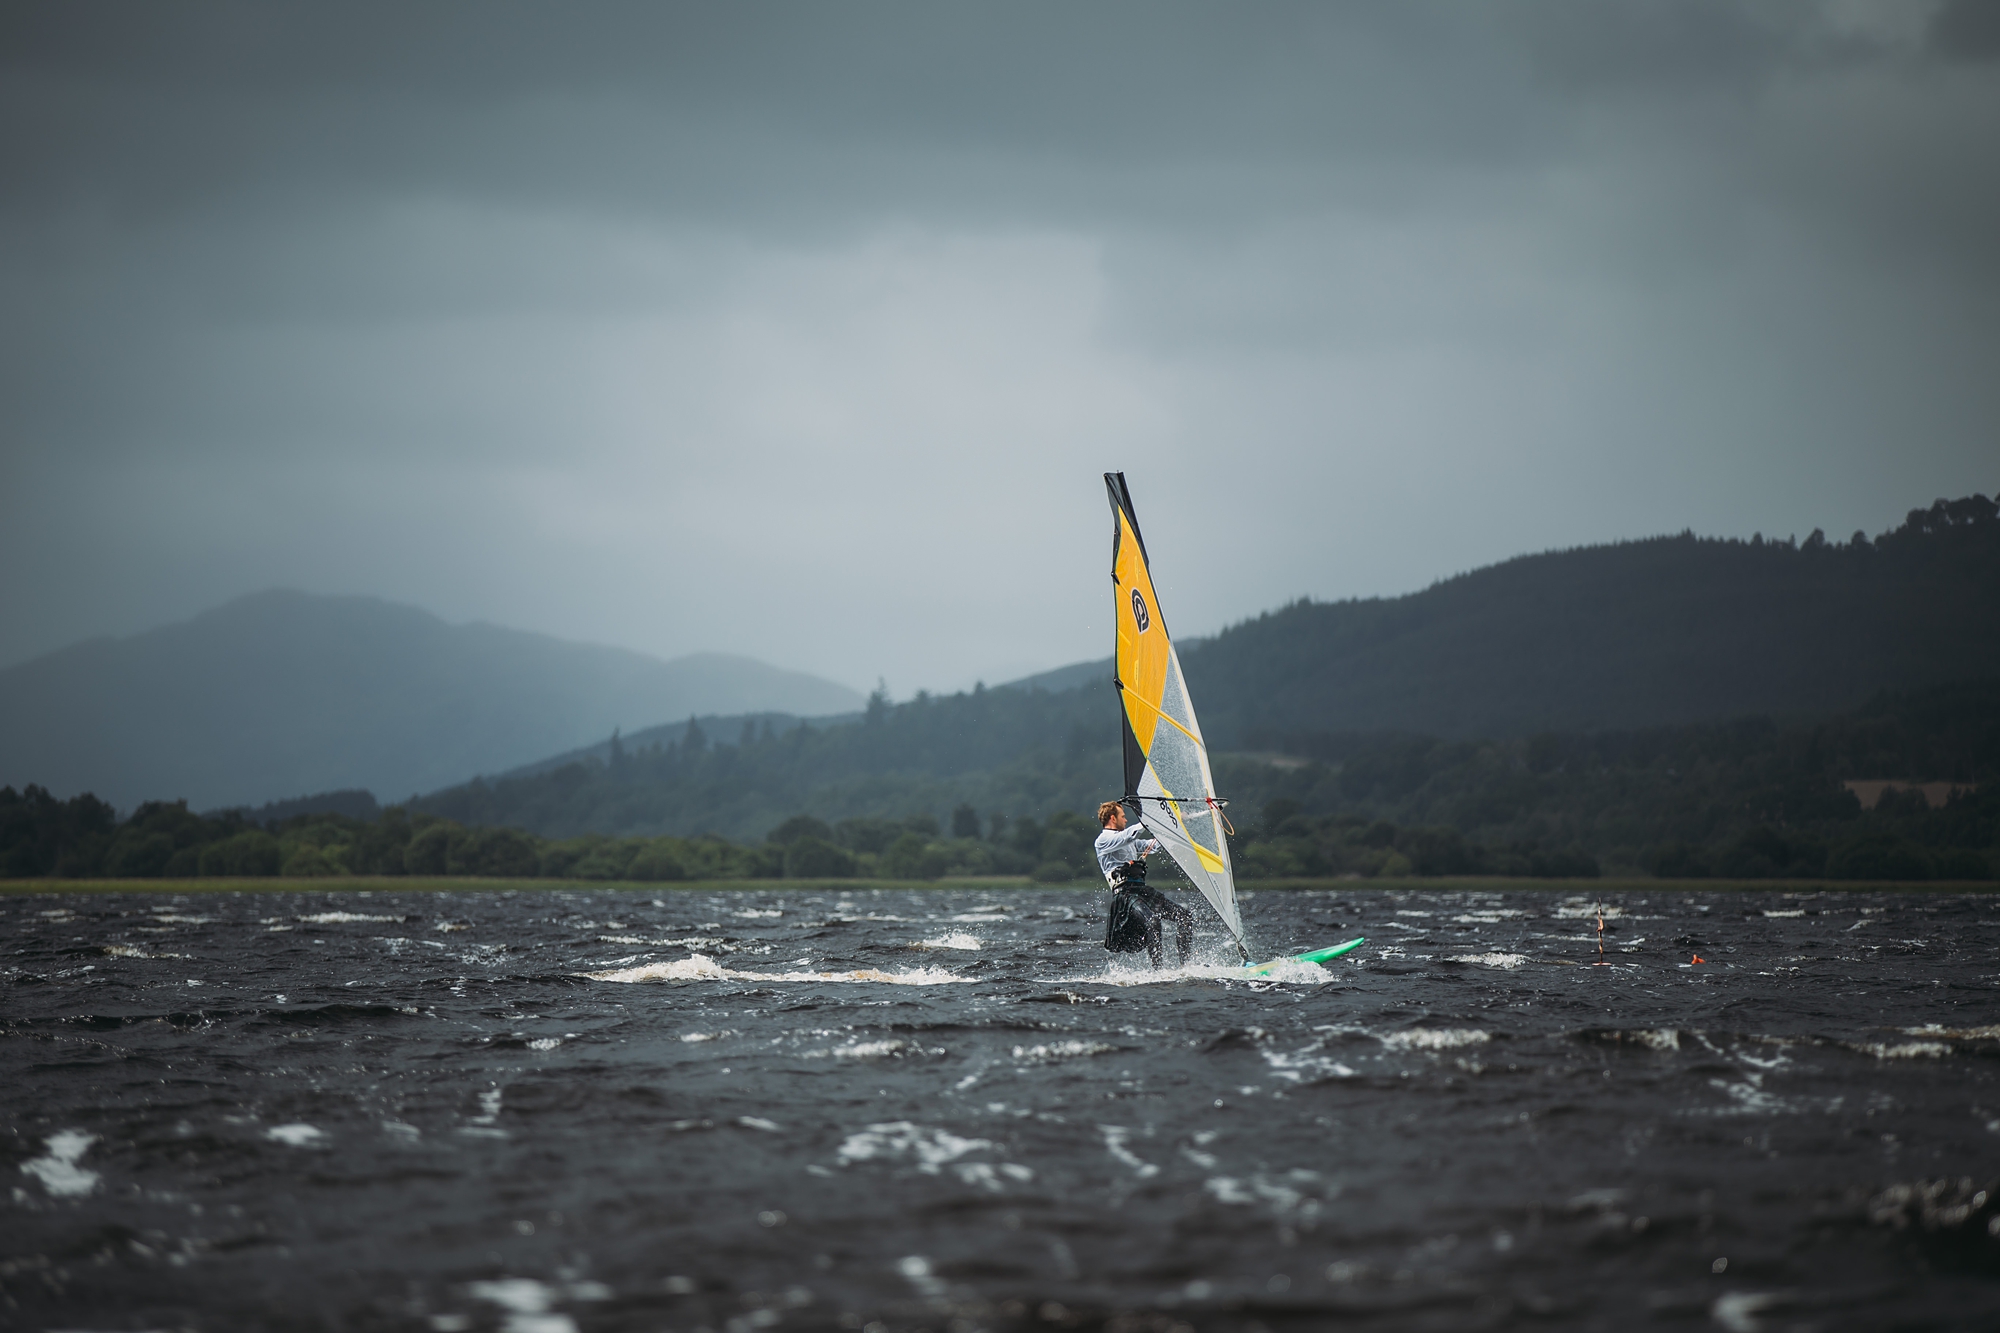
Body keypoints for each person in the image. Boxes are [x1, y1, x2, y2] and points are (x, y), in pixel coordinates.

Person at [1094, 800, 1196, 968]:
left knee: (1184, 917)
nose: (1125, 820)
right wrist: (1154, 818)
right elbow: (1128, 835)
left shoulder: (1128, 841)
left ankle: (1186, 967)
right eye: (1123, 816)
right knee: (1153, 921)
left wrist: (1177, 824)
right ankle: (1158, 971)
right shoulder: (1103, 841)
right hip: (1125, 896)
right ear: (1113, 818)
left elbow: (1154, 846)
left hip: (1142, 891)